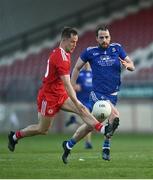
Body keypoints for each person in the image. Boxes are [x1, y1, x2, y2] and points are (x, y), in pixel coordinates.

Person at [8, 27, 115, 157]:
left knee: (81, 109)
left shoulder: (65, 54)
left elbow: (64, 83)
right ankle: (14, 136)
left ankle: (104, 129)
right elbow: (67, 83)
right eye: (72, 42)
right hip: (48, 97)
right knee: (42, 129)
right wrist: (75, 100)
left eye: (76, 42)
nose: (75, 45)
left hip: (60, 94)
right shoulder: (61, 57)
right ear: (64, 40)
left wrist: (77, 103)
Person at [63, 25, 135, 162]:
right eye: (101, 37)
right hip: (97, 94)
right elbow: (77, 68)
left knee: (90, 126)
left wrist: (129, 66)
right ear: (96, 38)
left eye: (106, 37)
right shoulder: (90, 52)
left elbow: (131, 63)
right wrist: (72, 85)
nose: (104, 40)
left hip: (113, 94)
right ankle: (106, 148)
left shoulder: (117, 49)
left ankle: (68, 144)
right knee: (115, 116)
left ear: (110, 37)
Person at [65, 62, 93, 149]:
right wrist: (74, 86)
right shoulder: (79, 74)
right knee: (88, 121)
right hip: (82, 101)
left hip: (91, 101)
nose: (87, 63)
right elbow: (68, 83)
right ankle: (88, 142)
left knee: (89, 122)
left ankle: (74, 121)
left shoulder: (94, 73)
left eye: (89, 61)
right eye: (86, 62)